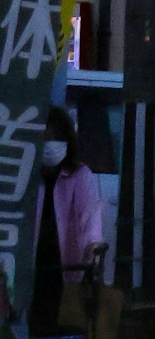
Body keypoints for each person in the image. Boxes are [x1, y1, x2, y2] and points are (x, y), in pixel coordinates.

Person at [30, 108, 102, 338]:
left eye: (55, 138)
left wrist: (93, 248)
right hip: (31, 273)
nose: (49, 144)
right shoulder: (27, 177)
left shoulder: (80, 176)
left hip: (68, 275)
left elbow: (90, 221)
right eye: (44, 138)